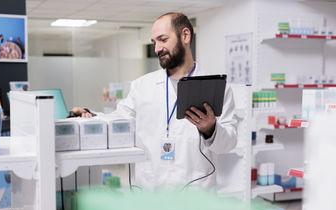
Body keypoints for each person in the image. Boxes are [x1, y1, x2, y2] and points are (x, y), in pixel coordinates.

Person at [72, 12, 237, 190]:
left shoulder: (216, 87)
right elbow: (119, 119)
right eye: (154, 42)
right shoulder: (142, 86)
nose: (157, 48)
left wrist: (210, 129)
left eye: (163, 39)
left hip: (195, 194)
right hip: (151, 192)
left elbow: (229, 144)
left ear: (186, 36)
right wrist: (91, 116)